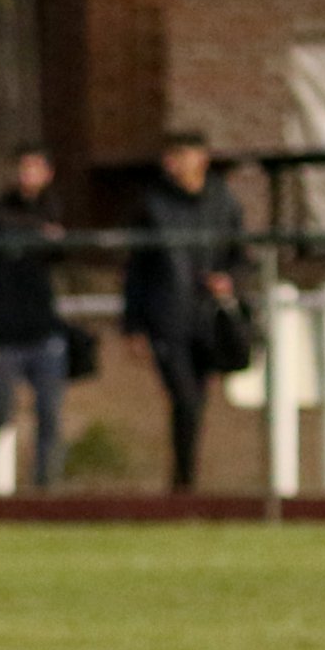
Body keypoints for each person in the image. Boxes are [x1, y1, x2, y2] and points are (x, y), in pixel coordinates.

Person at [122, 129, 248, 491]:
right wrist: (133, 325)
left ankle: (184, 479)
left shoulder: (224, 203)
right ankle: (183, 483)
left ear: (201, 158)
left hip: (207, 321)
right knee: (186, 398)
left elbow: (241, 258)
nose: (172, 163)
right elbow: (137, 270)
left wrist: (230, 282)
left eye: (180, 155)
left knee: (196, 402)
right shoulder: (152, 205)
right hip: (167, 320)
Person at [0, 143, 69, 488]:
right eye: (22, 167)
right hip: (3, 333)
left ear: (48, 173)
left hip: (44, 332)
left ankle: (46, 492)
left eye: (34, 167)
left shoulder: (53, 211)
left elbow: (62, 259)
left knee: (50, 416)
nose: (27, 175)